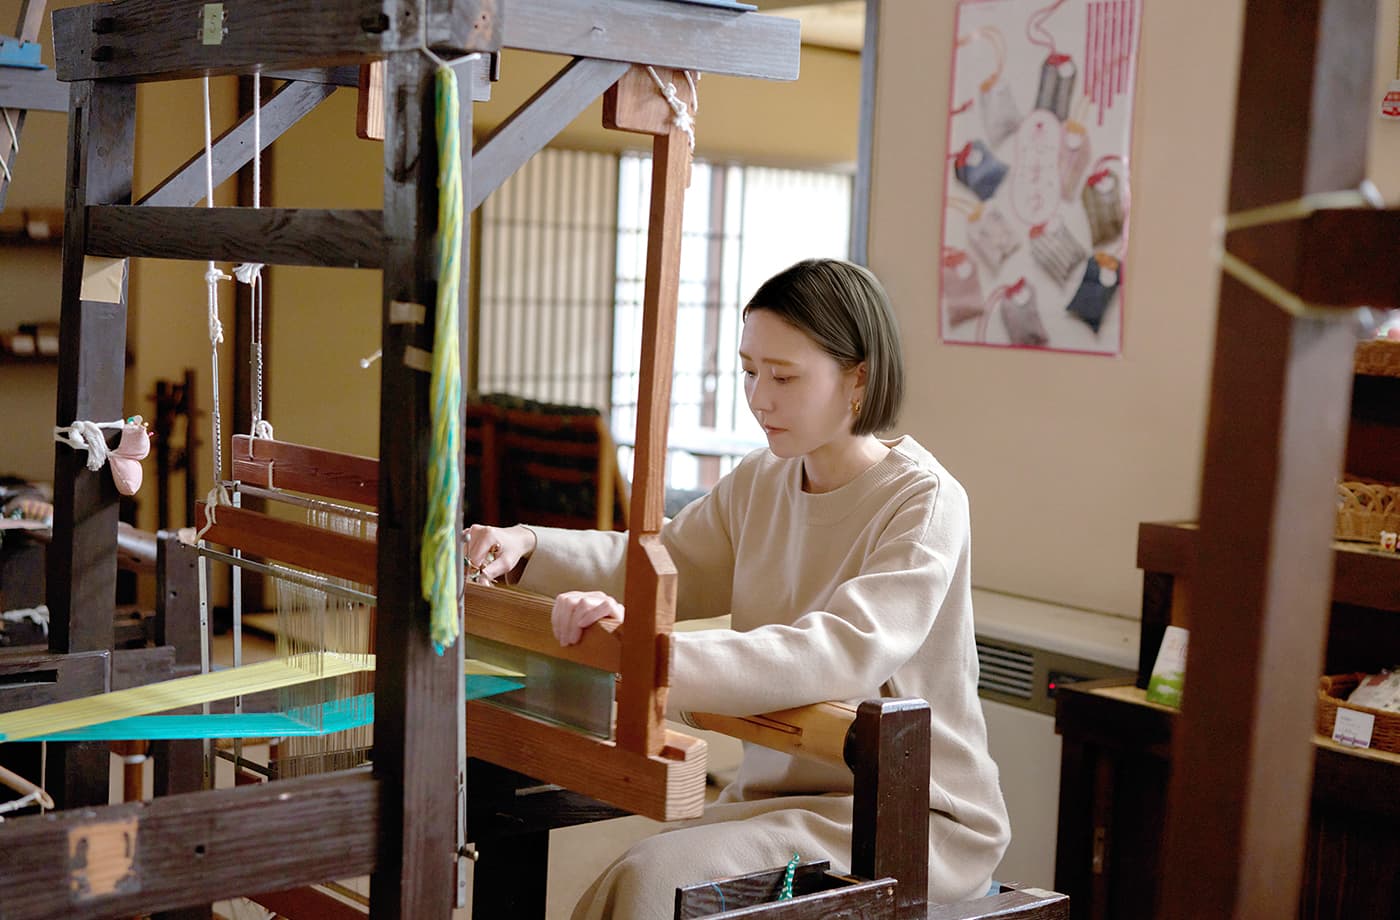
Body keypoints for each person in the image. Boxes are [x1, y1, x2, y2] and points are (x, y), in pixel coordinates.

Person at [465, 258, 1010, 918]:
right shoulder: (763, 480)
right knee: (638, 874)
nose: (759, 397)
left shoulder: (923, 502)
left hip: (914, 817)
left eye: (784, 376)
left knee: (652, 882)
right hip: (778, 798)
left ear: (857, 376)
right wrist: (529, 547)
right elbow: (667, 563)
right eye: (749, 371)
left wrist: (650, 657)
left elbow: (842, 651)